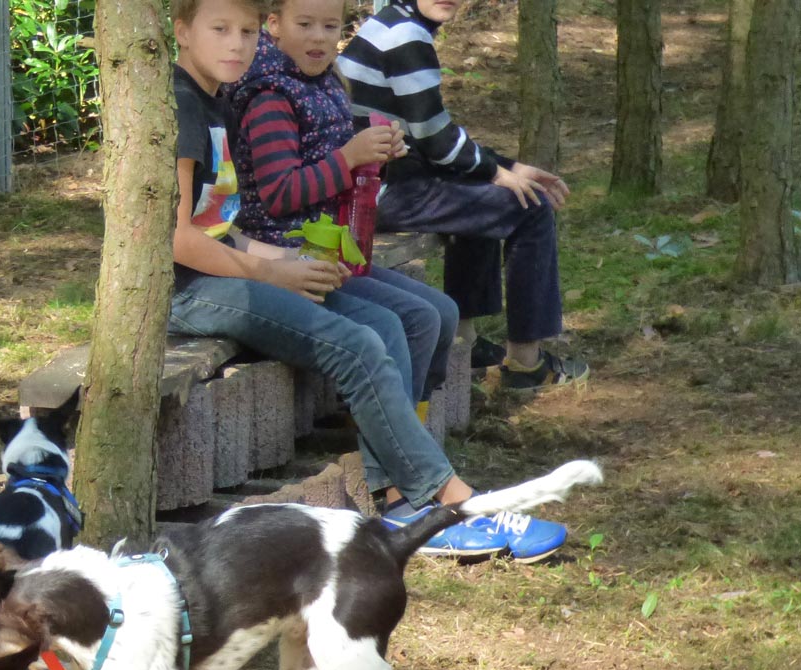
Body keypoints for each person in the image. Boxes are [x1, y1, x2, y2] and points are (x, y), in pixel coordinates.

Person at [168, 0, 567, 560]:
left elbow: (220, 225)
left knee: (402, 317)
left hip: (232, 265)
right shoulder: (184, 108)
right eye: (220, 30)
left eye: (246, 32)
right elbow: (178, 242)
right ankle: (448, 502)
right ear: (182, 31)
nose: (236, 44)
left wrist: (280, 263)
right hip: (187, 292)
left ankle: (400, 490)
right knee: (359, 344)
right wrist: (269, 270)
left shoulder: (214, 98)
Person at [337, 0, 589, 390]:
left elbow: (431, 133)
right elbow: (436, 141)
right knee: (530, 207)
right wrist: (497, 171)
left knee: (484, 193)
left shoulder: (393, 24)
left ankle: (466, 345)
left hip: (376, 182)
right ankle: (526, 364)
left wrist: (506, 168)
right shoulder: (405, 36)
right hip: (375, 192)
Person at [228, 0, 458, 404]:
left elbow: (338, 171)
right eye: (305, 24)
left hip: (333, 250)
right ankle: (396, 448)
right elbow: (279, 194)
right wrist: (350, 157)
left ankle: (405, 427)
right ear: (274, 25)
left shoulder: (324, 82)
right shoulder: (270, 96)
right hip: (288, 256)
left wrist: (377, 157)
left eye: (330, 26)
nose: (319, 36)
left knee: (444, 312)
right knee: (417, 319)